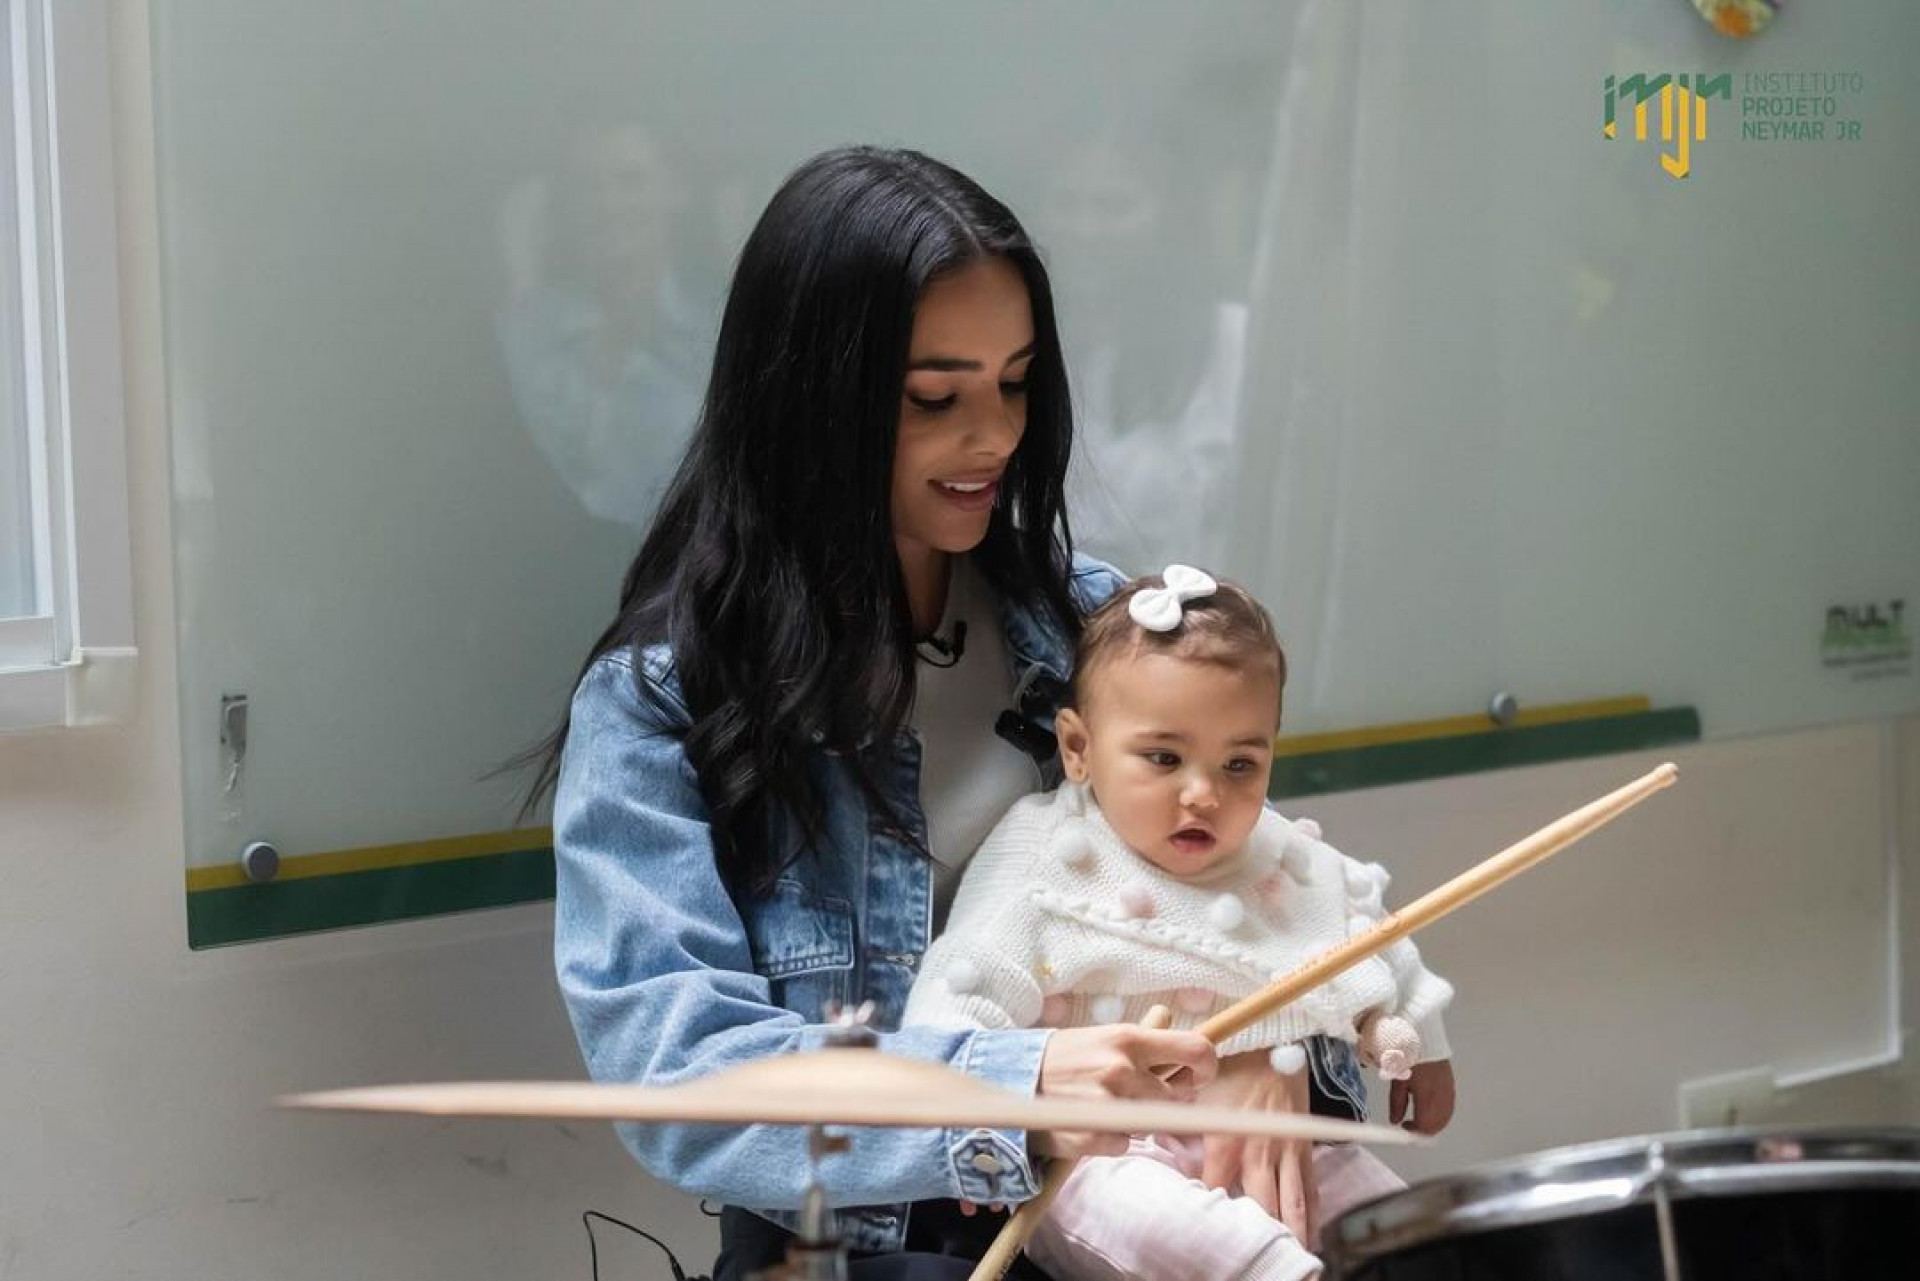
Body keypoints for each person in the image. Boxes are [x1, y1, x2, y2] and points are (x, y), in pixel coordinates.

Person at [533, 146, 1363, 1281]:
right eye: (937, 398)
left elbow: (1263, 890)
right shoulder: (663, 704)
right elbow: (682, 1081)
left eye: (1016, 383)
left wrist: (1289, 1040)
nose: (995, 438)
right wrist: (1015, 1091)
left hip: (1145, 1226)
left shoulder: (1091, 629)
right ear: (810, 400)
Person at [903, 566, 1457, 1281]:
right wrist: (974, 1124)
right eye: (1164, 758)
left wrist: (1426, 1035)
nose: (1203, 793)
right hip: (1103, 1151)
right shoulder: (1043, 859)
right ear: (1077, 747)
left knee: (1406, 1237)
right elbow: (956, 999)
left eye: (1240, 764)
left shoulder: (1276, 851)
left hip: (1274, 1133)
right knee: (1202, 1240)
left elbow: (1365, 926)